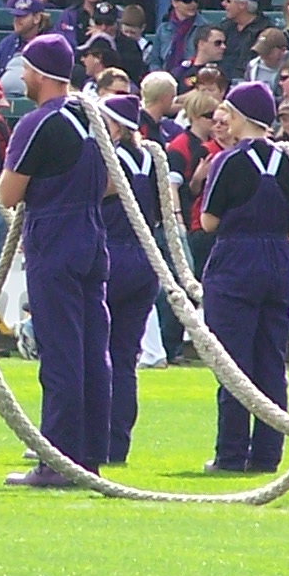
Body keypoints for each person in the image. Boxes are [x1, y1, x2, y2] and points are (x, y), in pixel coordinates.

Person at [0, 33, 110, 487]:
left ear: (40, 74)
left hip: (55, 235)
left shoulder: (38, 122)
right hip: (91, 231)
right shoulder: (93, 116)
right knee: (91, 353)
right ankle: (89, 454)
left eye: (25, 70)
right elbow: (111, 184)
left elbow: (8, 194)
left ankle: (59, 461)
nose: (21, 78)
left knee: (61, 354)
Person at [197, 81, 289, 476]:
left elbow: (208, 221)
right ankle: (267, 454)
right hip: (277, 258)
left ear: (241, 117)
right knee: (271, 363)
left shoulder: (228, 161)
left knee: (233, 364)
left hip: (237, 259)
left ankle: (231, 453)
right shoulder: (287, 159)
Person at [95, 93, 161, 466]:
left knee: (94, 353)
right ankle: (116, 443)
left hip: (112, 254)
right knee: (124, 357)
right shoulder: (150, 159)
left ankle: (89, 438)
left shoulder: (109, 159)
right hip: (144, 257)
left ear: (115, 127)